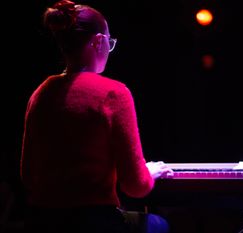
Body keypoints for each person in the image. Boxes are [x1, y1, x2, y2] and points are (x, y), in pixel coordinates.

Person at [19, 1, 173, 232]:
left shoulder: (41, 92)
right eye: (109, 42)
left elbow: (28, 175)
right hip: (94, 222)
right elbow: (135, 187)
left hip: (41, 222)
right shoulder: (113, 93)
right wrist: (147, 173)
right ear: (98, 41)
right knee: (158, 225)